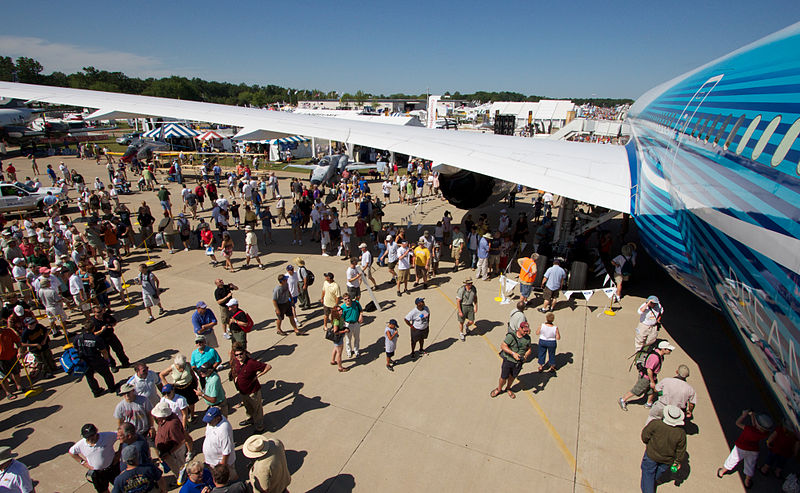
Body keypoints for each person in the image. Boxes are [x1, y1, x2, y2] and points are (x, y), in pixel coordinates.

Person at [717, 410, 774, 488]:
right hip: (754, 450)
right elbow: (756, 426)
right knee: (750, 465)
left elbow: (738, 423)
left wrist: (743, 415)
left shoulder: (749, 429)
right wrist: (752, 415)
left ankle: (722, 472)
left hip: (740, 448)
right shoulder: (764, 433)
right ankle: (747, 481)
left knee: (732, 460)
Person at [640, 405, 687, 493]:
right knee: (657, 474)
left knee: (648, 474)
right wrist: (677, 462)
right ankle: (650, 485)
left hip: (651, 455)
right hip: (667, 460)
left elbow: (644, 436)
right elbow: (681, 450)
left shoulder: (655, 424)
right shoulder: (681, 433)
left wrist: (649, 444)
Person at [619, 341, 675, 411]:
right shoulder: (655, 358)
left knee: (651, 390)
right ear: (663, 349)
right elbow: (649, 370)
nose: (670, 351)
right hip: (646, 378)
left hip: (652, 377)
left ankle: (649, 403)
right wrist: (652, 381)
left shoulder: (660, 355)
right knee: (637, 390)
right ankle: (623, 399)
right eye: (669, 349)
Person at [231, 343, 271, 433]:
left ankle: (260, 427)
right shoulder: (236, 362)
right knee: (248, 407)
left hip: (253, 392)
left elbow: (268, 366)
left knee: (257, 410)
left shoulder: (251, 363)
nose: (239, 356)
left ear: (245, 353)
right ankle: (251, 419)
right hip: (243, 391)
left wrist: (259, 375)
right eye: (237, 355)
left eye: (241, 354)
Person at [69, 423, 119, 493]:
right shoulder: (80, 445)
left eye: (92, 435)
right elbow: (72, 452)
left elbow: (121, 435)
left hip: (113, 468)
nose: (90, 438)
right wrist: (83, 462)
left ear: (96, 432)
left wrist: (120, 452)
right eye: (87, 437)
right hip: (97, 473)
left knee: (122, 488)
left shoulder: (107, 436)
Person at [491, 321, 532, 399]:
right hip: (508, 361)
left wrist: (526, 355)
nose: (526, 332)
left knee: (512, 377)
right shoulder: (511, 336)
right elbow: (503, 346)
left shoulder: (527, 338)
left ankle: (508, 388)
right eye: (524, 330)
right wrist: (513, 354)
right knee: (503, 377)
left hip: (519, 363)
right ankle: (499, 389)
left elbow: (529, 349)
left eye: (527, 330)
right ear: (520, 328)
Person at [73, 324, 116, 398]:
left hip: (84, 361)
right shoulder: (96, 338)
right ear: (93, 328)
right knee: (106, 374)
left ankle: (96, 392)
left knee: (89, 377)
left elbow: (75, 348)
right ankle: (112, 388)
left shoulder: (78, 338)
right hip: (96, 360)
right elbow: (104, 351)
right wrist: (107, 360)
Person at [151, 401, 187, 483]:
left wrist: (169, 453)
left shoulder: (172, 424)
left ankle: (182, 481)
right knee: (175, 468)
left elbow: (181, 441)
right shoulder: (163, 420)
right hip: (167, 452)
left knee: (179, 469)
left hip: (174, 452)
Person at [90, 307, 130, 372]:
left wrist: (111, 326)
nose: (100, 313)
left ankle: (125, 363)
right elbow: (92, 334)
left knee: (119, 349)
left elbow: (114, 322)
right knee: (107, 354)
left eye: (101, 311)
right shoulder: (93, 322)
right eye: (98, 312)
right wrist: (101, 330)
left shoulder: (106, 316)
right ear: (94, 313)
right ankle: (112, 365)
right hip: (101, 339)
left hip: (111, 336)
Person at [202, 407, 237, 481]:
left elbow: (226, 451)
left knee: (230, 478)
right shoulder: (212, 423)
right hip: (212, 461)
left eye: (210, 421)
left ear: (217, 418)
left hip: (220, 463)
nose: (208, 423)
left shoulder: (224, 429)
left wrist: (222, 469)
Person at [340, 293, 363, 358]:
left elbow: (361, 311)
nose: (348, 300)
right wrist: (344, 327)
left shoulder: (356, 303)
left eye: (348, 298)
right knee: (348, 340)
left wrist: (361, 316)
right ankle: (349, 351)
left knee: (357, 338)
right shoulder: (343, 308)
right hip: (348, 324)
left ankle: (356, 351)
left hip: (356, 323)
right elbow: (341, 318)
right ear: (344, 300)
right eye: (345, 299)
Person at [327, 305, 349, 372]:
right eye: (339, 310)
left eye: (341, 309)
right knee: (339, 353)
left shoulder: (340, 317)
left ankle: (333, 360)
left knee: (335, 348)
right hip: (338, 337)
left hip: (338, 338)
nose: (341, 311)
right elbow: (336, 331)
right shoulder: (336, 321)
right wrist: (344, 331)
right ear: (336, 312)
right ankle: (340, 367)